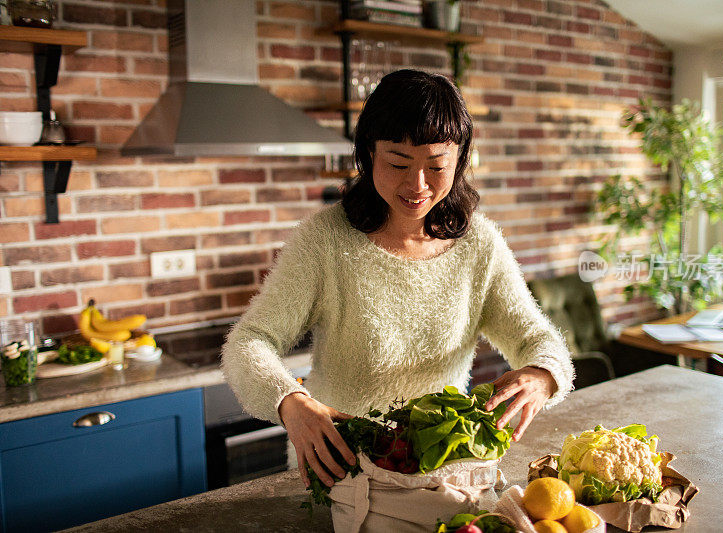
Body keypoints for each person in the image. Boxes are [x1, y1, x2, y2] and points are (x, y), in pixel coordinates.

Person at [221, 69, 574, 490]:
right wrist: (290, 401)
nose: (417, 185)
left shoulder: (479, 244)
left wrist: (542, 375)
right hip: (340, 469)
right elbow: (249, 341)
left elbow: (539, 339)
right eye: (398, 163)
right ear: (368, 154)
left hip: (442, 472)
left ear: (460, 161)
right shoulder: (325, 241)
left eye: (436, 165)